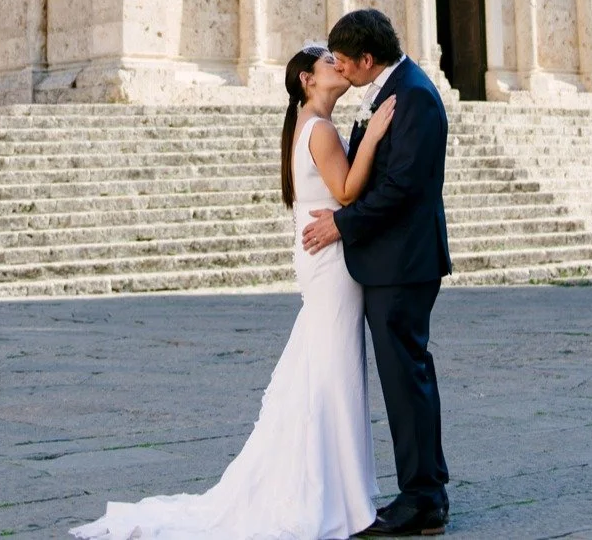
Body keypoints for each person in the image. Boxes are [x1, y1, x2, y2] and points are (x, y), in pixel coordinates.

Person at [70, 44, 396, 540]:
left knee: (324, 372)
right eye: (329, 61)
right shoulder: (321, 128)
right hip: (329, 264)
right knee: (334, 375)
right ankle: (335, 494)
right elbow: (347, 191)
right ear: (308, 80)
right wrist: (372, 136)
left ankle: (335, 489)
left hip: (323, 259)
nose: (340, 64)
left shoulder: (307, 124)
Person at [303, 10, 451, 538]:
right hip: (393, 260)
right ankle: (425, 488)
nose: (338, 69)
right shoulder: (396, 88)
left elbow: (402, 188)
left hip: (403, 263)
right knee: (404, 376)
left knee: (405, 377)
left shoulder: (412, 96)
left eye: (344, 60)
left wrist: (342, 223)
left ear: (368, 59)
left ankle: (423, 499)